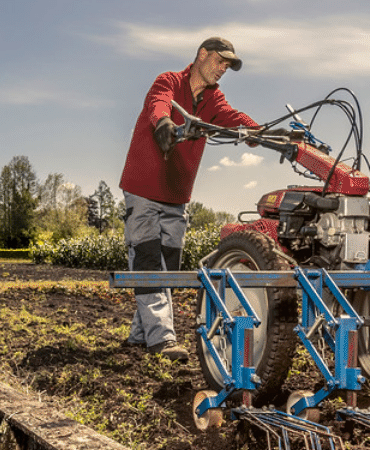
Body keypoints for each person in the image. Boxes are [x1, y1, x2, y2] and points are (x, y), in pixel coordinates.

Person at [117, 37, 264, 360]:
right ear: (202, 55)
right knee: (148, 261)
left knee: (169, 267)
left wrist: (261, 132)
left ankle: (140, 335)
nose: (224, 68)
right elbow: (159, 103)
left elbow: (232, 117)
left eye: (228, 65)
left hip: (177, 196)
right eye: (220, 61)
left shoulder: (213, 99)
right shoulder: (169, 81)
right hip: (143, 190)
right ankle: (162, 339)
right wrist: (164, 123)